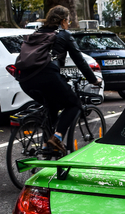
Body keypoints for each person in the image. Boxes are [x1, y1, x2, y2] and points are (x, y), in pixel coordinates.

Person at [18, 5, 102, 154]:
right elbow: (80, 60)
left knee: (51, 105)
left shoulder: (37, 33)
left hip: (25, 79)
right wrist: (93, 80)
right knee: (74, 103)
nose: (68, 24)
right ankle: (57, 137)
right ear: (63, 21)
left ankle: (46, 145)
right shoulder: (63, 35)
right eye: (68, 21)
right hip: (46, 76)